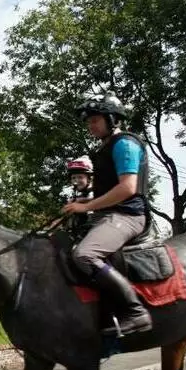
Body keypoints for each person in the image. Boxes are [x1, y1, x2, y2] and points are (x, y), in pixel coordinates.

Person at [63, 91, 152, 336]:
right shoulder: (106, 146)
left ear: (112, 119)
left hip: (128, 216)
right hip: (109, 215)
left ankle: (136, 312)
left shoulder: (124, 144)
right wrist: (85, 201)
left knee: (84, 255)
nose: (90, 125)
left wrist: (85, 206)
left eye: (95, 120)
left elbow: (127, 188)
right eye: (88, 121)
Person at [64, 155, 94, 239]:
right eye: (73, 178)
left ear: (89, 179)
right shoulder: (76, 196)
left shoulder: (95, 192)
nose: (76, 181)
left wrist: (80, 201)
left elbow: (96, 198)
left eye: (80, 177)